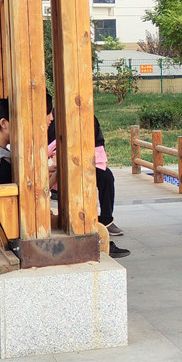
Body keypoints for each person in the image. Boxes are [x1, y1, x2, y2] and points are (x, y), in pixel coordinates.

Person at [47, 95, 130, 258]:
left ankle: (105, 220)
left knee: (106, 176)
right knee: (76, 182)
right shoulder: (53, 118)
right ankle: (90, 235)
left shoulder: (88, 116)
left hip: (87, 161)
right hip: (57, 164)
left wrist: (89, 163)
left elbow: (98, 144)